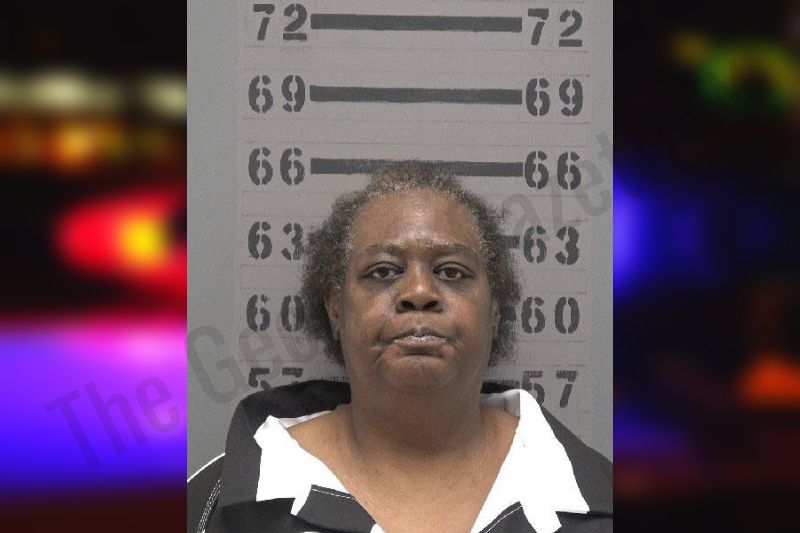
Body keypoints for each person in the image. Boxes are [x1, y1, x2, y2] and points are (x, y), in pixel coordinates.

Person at [188, 162, 612, 533]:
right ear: (335, 307)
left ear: (495, 309)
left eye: (452, 271)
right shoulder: (211, 504)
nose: (419, 292)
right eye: (383, 271)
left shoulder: (599, 501)